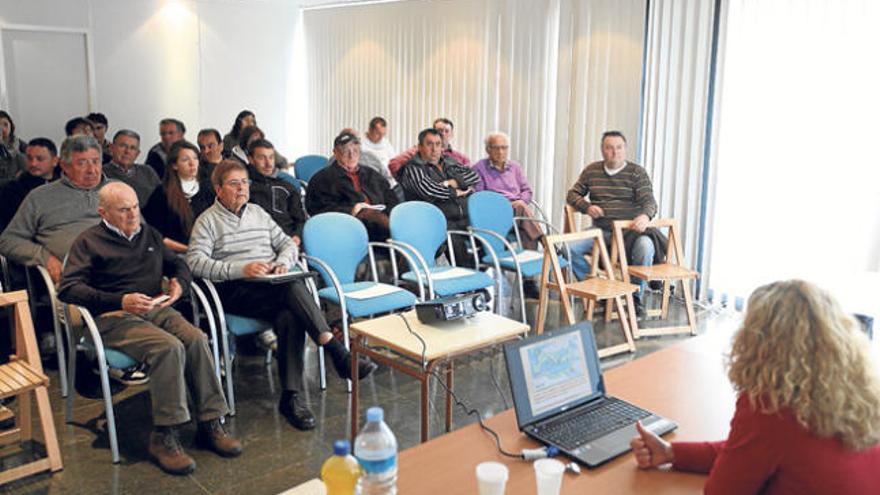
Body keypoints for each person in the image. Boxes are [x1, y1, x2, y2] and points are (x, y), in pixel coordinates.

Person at [630, 279, 880, 494]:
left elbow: (721, 490)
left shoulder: (771, 408)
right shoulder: (858, 395)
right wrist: (672, 453)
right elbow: (750, 451)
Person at [58, 182, 241, 475]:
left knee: (196, 338)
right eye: (123, 210)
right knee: (168, 347)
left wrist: (180, 283)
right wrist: (119, 300)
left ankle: (210, 422)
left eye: (135, 207)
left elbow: (178, 265)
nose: (133, 215)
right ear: (103, 213)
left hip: (155, 308)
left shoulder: (148, 233)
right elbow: (68, 290)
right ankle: (165, 435)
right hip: (113, 316)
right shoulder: (89, 242)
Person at [186, 160, 377, 431]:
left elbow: (286, 243)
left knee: (290, 311)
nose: (242, 188)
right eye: (234, 183)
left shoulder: (258, 213)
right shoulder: (208, 221)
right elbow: (195, 262)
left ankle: (291, 397)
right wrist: (242, 269)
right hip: (233, 289)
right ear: (218, 189)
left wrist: (283, 264)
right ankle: (335, 350)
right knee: (291, 288)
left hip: (269, 284)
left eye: (245, 182)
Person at [565, 130, 660, 316]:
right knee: (565, 249)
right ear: (602, 150)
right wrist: (586, 206)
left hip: (631, 231)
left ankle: (634, 297)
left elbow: (649, 201)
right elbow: (572, 194)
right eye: (609, 148)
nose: (614, 152)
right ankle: (599, 290)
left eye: (619, 147)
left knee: (646, 247)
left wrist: (645, 217)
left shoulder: (636, 173)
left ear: (625, 149)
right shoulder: (592, 171)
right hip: (602, 231)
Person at [0, 135, 106, 285]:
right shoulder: (40, 196)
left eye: (95, 161)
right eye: (82, 163)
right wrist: (45, 258)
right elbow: (8, 241)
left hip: (128, 268)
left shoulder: (119, 189)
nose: (91, 170)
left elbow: (142, 232)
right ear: (64, 166)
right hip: (80, 277)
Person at [398, 127, 480, 264]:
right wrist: (457, 192)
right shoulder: (413, 168)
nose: (434, 149)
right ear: (420, 147)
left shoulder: (448, 161)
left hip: (462, 217)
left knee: (490, 235)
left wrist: (452, 182)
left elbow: (473, 176)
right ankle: (469, 281)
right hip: (435, 221)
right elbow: (430, 190)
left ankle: (476, 273)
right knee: (456, 241)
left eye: (438, 144)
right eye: (429, 144)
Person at [306, 131, 399, 242]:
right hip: (349, 225)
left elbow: (391, 198)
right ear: (335, 153)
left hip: (381, 219)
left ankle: (400, 242)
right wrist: (351, 210)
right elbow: (317, 210)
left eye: (355, 150)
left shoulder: (372, 174)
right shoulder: (322, 179)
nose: (351, 155)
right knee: (368, 214)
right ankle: (399, 240)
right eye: (345, 151)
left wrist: (391, 213)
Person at [473, 132, 543, 250]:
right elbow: (480, 198)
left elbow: (527, 191)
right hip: (496, 214)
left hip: (518, 213)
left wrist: (519, 202)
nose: (500, 152)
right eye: (496, 148)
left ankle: (527, 264)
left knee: (526, 231)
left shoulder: (515, 167)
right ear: (488, 149)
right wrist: (507, 205)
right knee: (522, 212)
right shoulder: (479, 168)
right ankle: (546, 242)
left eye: (504, 148)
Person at [143, 141, 215, 254]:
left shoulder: (207, 188)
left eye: (195, 158)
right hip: (176, 254)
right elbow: (156, 235)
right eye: (185, 160)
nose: (192, 163)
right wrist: (189, 250)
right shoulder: (161, 194)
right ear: (174, 165)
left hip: (208, 251)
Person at [246, 139, 305, 245]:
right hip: (258, 245)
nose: (268, 164)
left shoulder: (288, 187)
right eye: (261, 158)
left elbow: (300, 220)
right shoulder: (244, 189)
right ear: (250, 159)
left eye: (271, 157)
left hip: (289, 242)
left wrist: (297, 237)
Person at [0, 138, 60, 234]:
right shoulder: (13, 190)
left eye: (40, 159)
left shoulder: (66, 186)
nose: (33, 163)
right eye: (29, 158)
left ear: (55, 161)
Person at [389, 117, 471, 177]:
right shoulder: (418, 150)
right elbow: (394, 164)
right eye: (440, 130)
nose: (443, 134)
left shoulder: (461, 158)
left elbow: (469, 177)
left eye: (446, 131)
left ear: (451, 134)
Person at [102, 130, 160, 206]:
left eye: (132, 148)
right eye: (123, 146)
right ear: (111, 148)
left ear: (137, 153)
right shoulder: (100, 174)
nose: (127, 151)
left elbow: (163, 199)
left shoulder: (147, 171)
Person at [0, 110, 27, 184]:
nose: (2, 129)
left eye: (5, 124)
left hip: (17, 186)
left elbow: (28, 166)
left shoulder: (20, 144)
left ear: (11, 126)